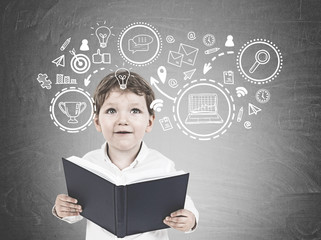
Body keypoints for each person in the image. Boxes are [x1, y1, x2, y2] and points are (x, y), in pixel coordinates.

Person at [52, 71, 199, 239]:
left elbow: (182, 202)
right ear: (98, 122)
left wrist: (190, 219)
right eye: (111, 110)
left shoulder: (162, 165)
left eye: (135, 111)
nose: (123, 120)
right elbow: (76, 212)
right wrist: (61, 209)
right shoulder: (88, 163)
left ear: (149, 122)